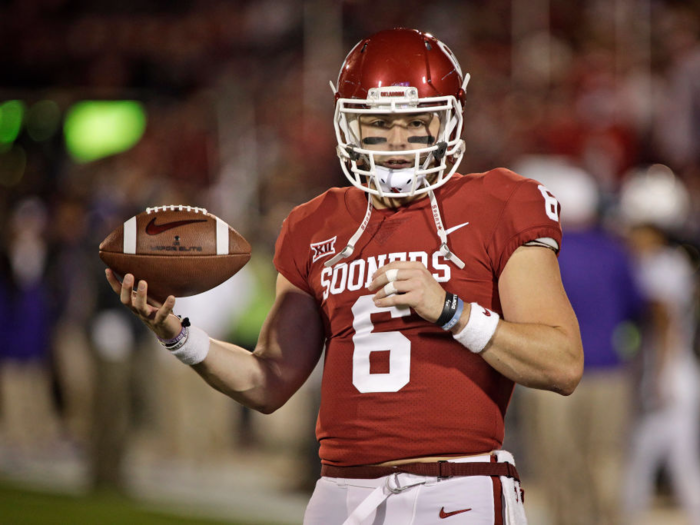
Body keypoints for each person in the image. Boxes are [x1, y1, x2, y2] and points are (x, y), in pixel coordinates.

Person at [105, 28, 583, 525]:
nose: (397, 141)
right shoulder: (314, 223)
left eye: (416, 122)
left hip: (456, 488)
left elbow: (563, 363)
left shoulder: (501, 202)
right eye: (377, 123)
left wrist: (451, 311)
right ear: (348, 126)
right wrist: (178, 334)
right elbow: (269, 380)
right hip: (340, 493)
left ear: (447, 121)